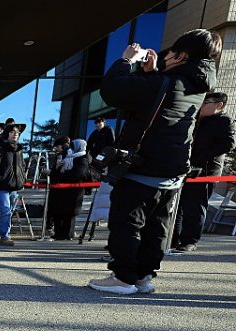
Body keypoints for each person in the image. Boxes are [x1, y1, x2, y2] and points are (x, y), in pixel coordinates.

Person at [88, 29, 220, 294]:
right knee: (157, 225)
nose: (166, 56)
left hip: (144, 165)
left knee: (127, 221)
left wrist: (127, 60)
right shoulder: (196, 87)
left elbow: (114, 90)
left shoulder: (167, 82)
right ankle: (143, 276)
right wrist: (153, 73)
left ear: (182, 55)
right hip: (173, 170)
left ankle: (123, 278)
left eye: (171, 51)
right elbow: (160, 107)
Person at [172, 91, 236, 252]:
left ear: (219, 105)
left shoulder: (225, 121)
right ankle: (173, 239)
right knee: (177, 205)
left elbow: (229, 144)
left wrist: (202, 156)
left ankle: (190, 241)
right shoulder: (196, 118)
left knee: (195, 207)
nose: (201, 105)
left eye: (205, 102)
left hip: (205, 171)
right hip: (185, 168)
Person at [0, 123, 27, 246]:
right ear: (6, 134)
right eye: (12, 131)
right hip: (1, 186)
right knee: (5, 210)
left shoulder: (19, 150)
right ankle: (5, 236)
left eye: (17, 132)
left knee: (6, 211)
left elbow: (21, 166)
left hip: (14, 186)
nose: (15, 134)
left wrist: (22, 179)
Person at [48, 138, 92, 240]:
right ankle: (59, 234)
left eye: (73, 147)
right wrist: (57, 169)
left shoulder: (83, 158)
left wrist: (63, 174)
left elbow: (78, 174)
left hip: (75, 191)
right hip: (63, 190)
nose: (70, 149)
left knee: (70, 214)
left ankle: (68, 234)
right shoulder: (68, 157)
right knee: (60, 212)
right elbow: (56, 174)